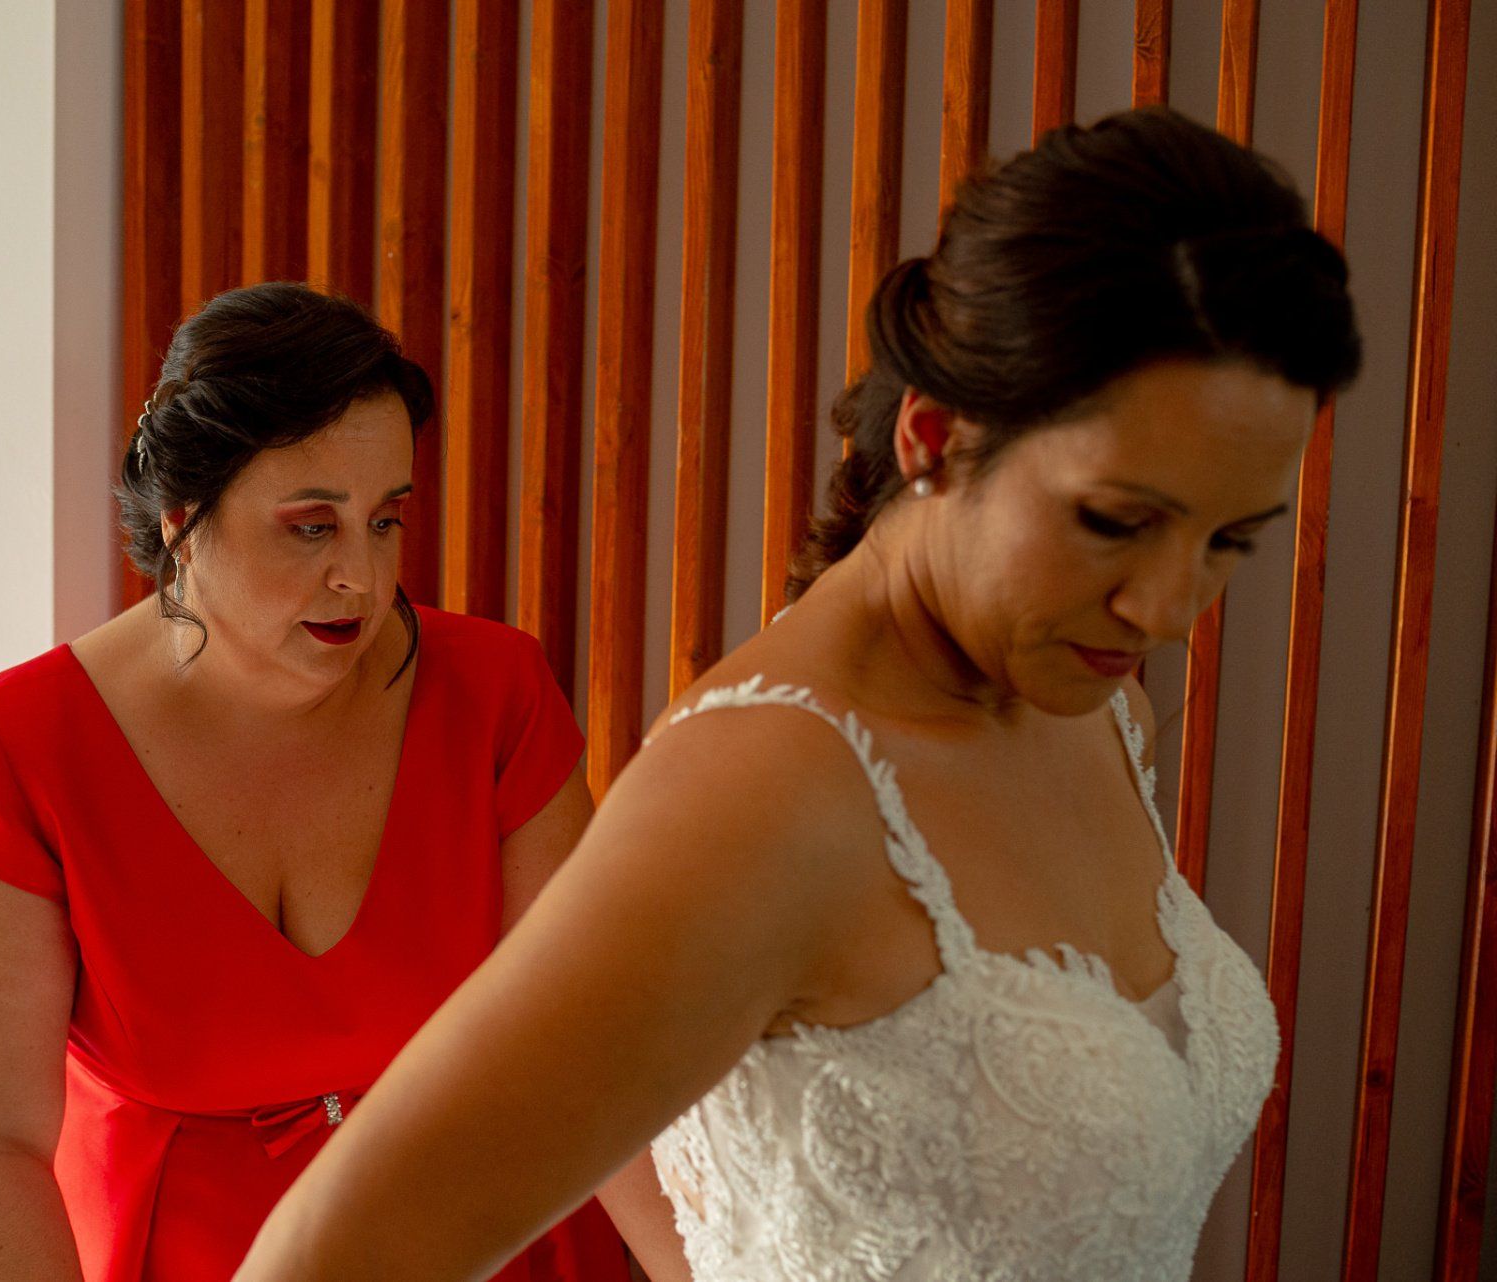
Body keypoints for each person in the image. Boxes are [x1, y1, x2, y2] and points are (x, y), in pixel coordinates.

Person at [233, 107, 1363, 1281]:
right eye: (1115, 522)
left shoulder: (1092, 701)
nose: (1169, 608)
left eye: (1230, 539)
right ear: (936, 436)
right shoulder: (764, 793)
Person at [0, 284, 646, 1281]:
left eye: (386, 520)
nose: (362, 578)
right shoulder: (13, 749)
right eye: (311, 526)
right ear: (182, 519)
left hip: (489, 1243)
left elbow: (590, 1052)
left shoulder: (495, 695)